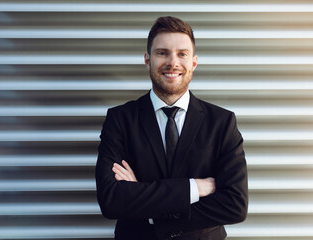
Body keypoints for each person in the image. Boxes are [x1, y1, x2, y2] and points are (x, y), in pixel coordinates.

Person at [95, 16, 248, 240]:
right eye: (162, 52)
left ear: (193, 62)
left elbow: (235, 205)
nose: (173, 63)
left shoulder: (222, 122)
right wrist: (194, 188)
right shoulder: (120, 120)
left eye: (182, 54)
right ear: (148, 59)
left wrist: (148, 206)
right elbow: (111, 201)